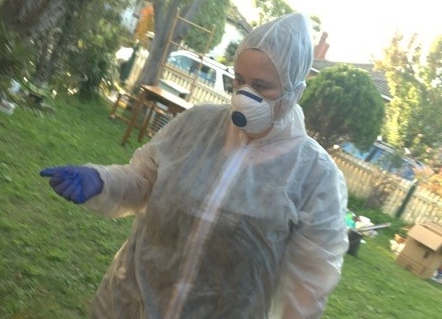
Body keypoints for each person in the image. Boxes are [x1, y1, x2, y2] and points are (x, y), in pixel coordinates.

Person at [40, 12, 349, 319]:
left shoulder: (315, 177)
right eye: (239, 80)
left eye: (261, 85)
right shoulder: (196, 124)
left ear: (294, 91)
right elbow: (141, 180)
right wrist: (101, 180)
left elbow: (306, 291)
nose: (244, 95)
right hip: (132, 302)